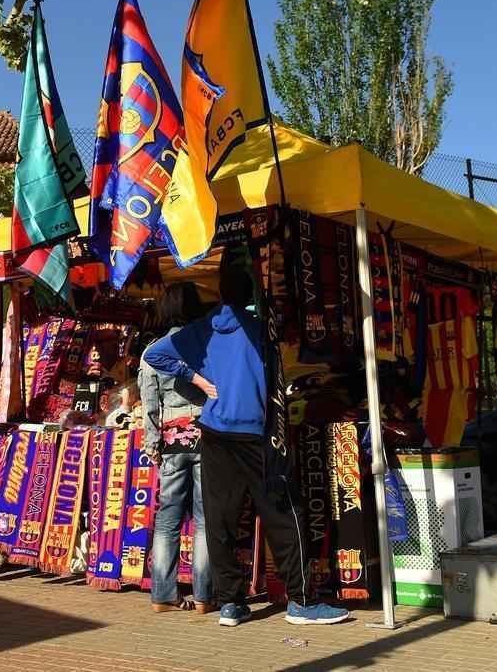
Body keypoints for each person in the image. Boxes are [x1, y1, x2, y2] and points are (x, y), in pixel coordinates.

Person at [143, 263, 350, 627]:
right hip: (256, 433)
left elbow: (154, 355)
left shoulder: (203, 329)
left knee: (220, 518)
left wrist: (197, 380)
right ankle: (300, 601)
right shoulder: (259, 330)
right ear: (251, 293)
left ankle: (230, 604)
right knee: (284, 513)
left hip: (215, 432)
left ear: (221, 293)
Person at [139, 282, 214, 613]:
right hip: (207, 434)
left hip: (171, 440)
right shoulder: (205, 346)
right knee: (205, 518)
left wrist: (152, 444)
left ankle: (163, 594)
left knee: (168, 518)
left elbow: (149, 405)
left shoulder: (153, 352)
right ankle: (203, 596)